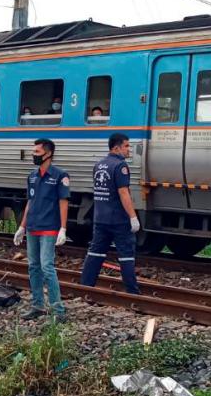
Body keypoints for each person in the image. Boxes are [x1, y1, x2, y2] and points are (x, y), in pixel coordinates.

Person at [13, 138, 69, 322]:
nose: (33, 155)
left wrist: (63, 228)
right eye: (34, 152)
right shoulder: (32, 176)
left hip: (49, 228)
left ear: (49, 154)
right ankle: (37, 305)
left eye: (37, 152)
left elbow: (63, 202)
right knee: (33, 267)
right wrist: (22, 226)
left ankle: (58, 310)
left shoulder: (60, 176)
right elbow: (30, 202)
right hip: (33, 227)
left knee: (47, 266)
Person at [79, 133, 140, 294]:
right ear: (116, 148)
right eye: (126, 146)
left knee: (95, 252)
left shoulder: (99, 165)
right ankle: (132, 291)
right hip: (118, 219)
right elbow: (123, 193)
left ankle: (85, 285)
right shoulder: (120, 166)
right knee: (126, 255)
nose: (129, 150)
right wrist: (133, 217)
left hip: (100, 218)